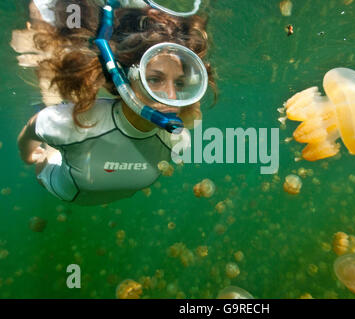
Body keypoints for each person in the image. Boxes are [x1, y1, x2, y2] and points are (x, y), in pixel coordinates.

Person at [16, 0, 216, 206]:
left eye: (180, 82)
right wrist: (29, 155)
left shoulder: (179, 140)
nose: (171, 96)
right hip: (60, 187)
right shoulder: (70, 123)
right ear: (124, 78)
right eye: (154, 80)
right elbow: (31, 130)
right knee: (54, 115)